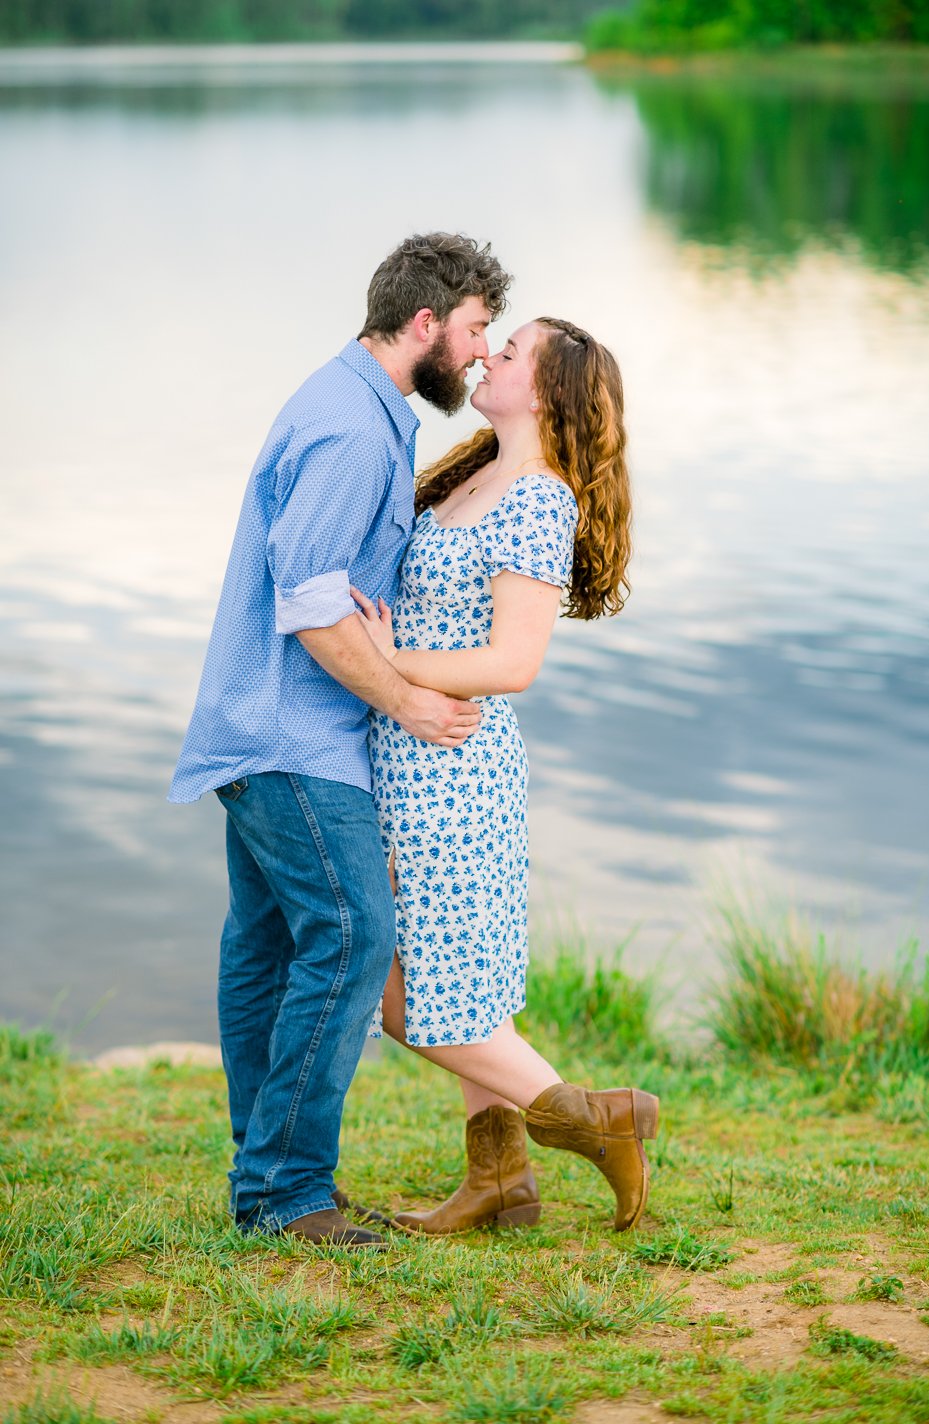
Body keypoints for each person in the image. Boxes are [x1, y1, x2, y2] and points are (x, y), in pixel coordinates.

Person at [169, 233, 513, 1248]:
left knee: (268, 943)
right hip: (295, 738)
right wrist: (407, 701)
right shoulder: (356, 433)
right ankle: (284, 1189)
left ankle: (264, 1174)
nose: (482, 352)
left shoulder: (349, 405)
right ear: (426, 324)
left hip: (262, 725)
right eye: (476, 328)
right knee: (357, 932)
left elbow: (327, 580)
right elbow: (312, 599)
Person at [352, 316, 659, 1235]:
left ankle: (599, 1121)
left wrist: (389, 659)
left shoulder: (536, 498)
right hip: (413, 753)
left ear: (550, 391)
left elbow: (512, 661)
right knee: (458, 984)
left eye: (511, 350)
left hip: (452, 767)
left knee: (414, 999)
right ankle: (501, 1182)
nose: (487, 354)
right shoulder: (473, 473)